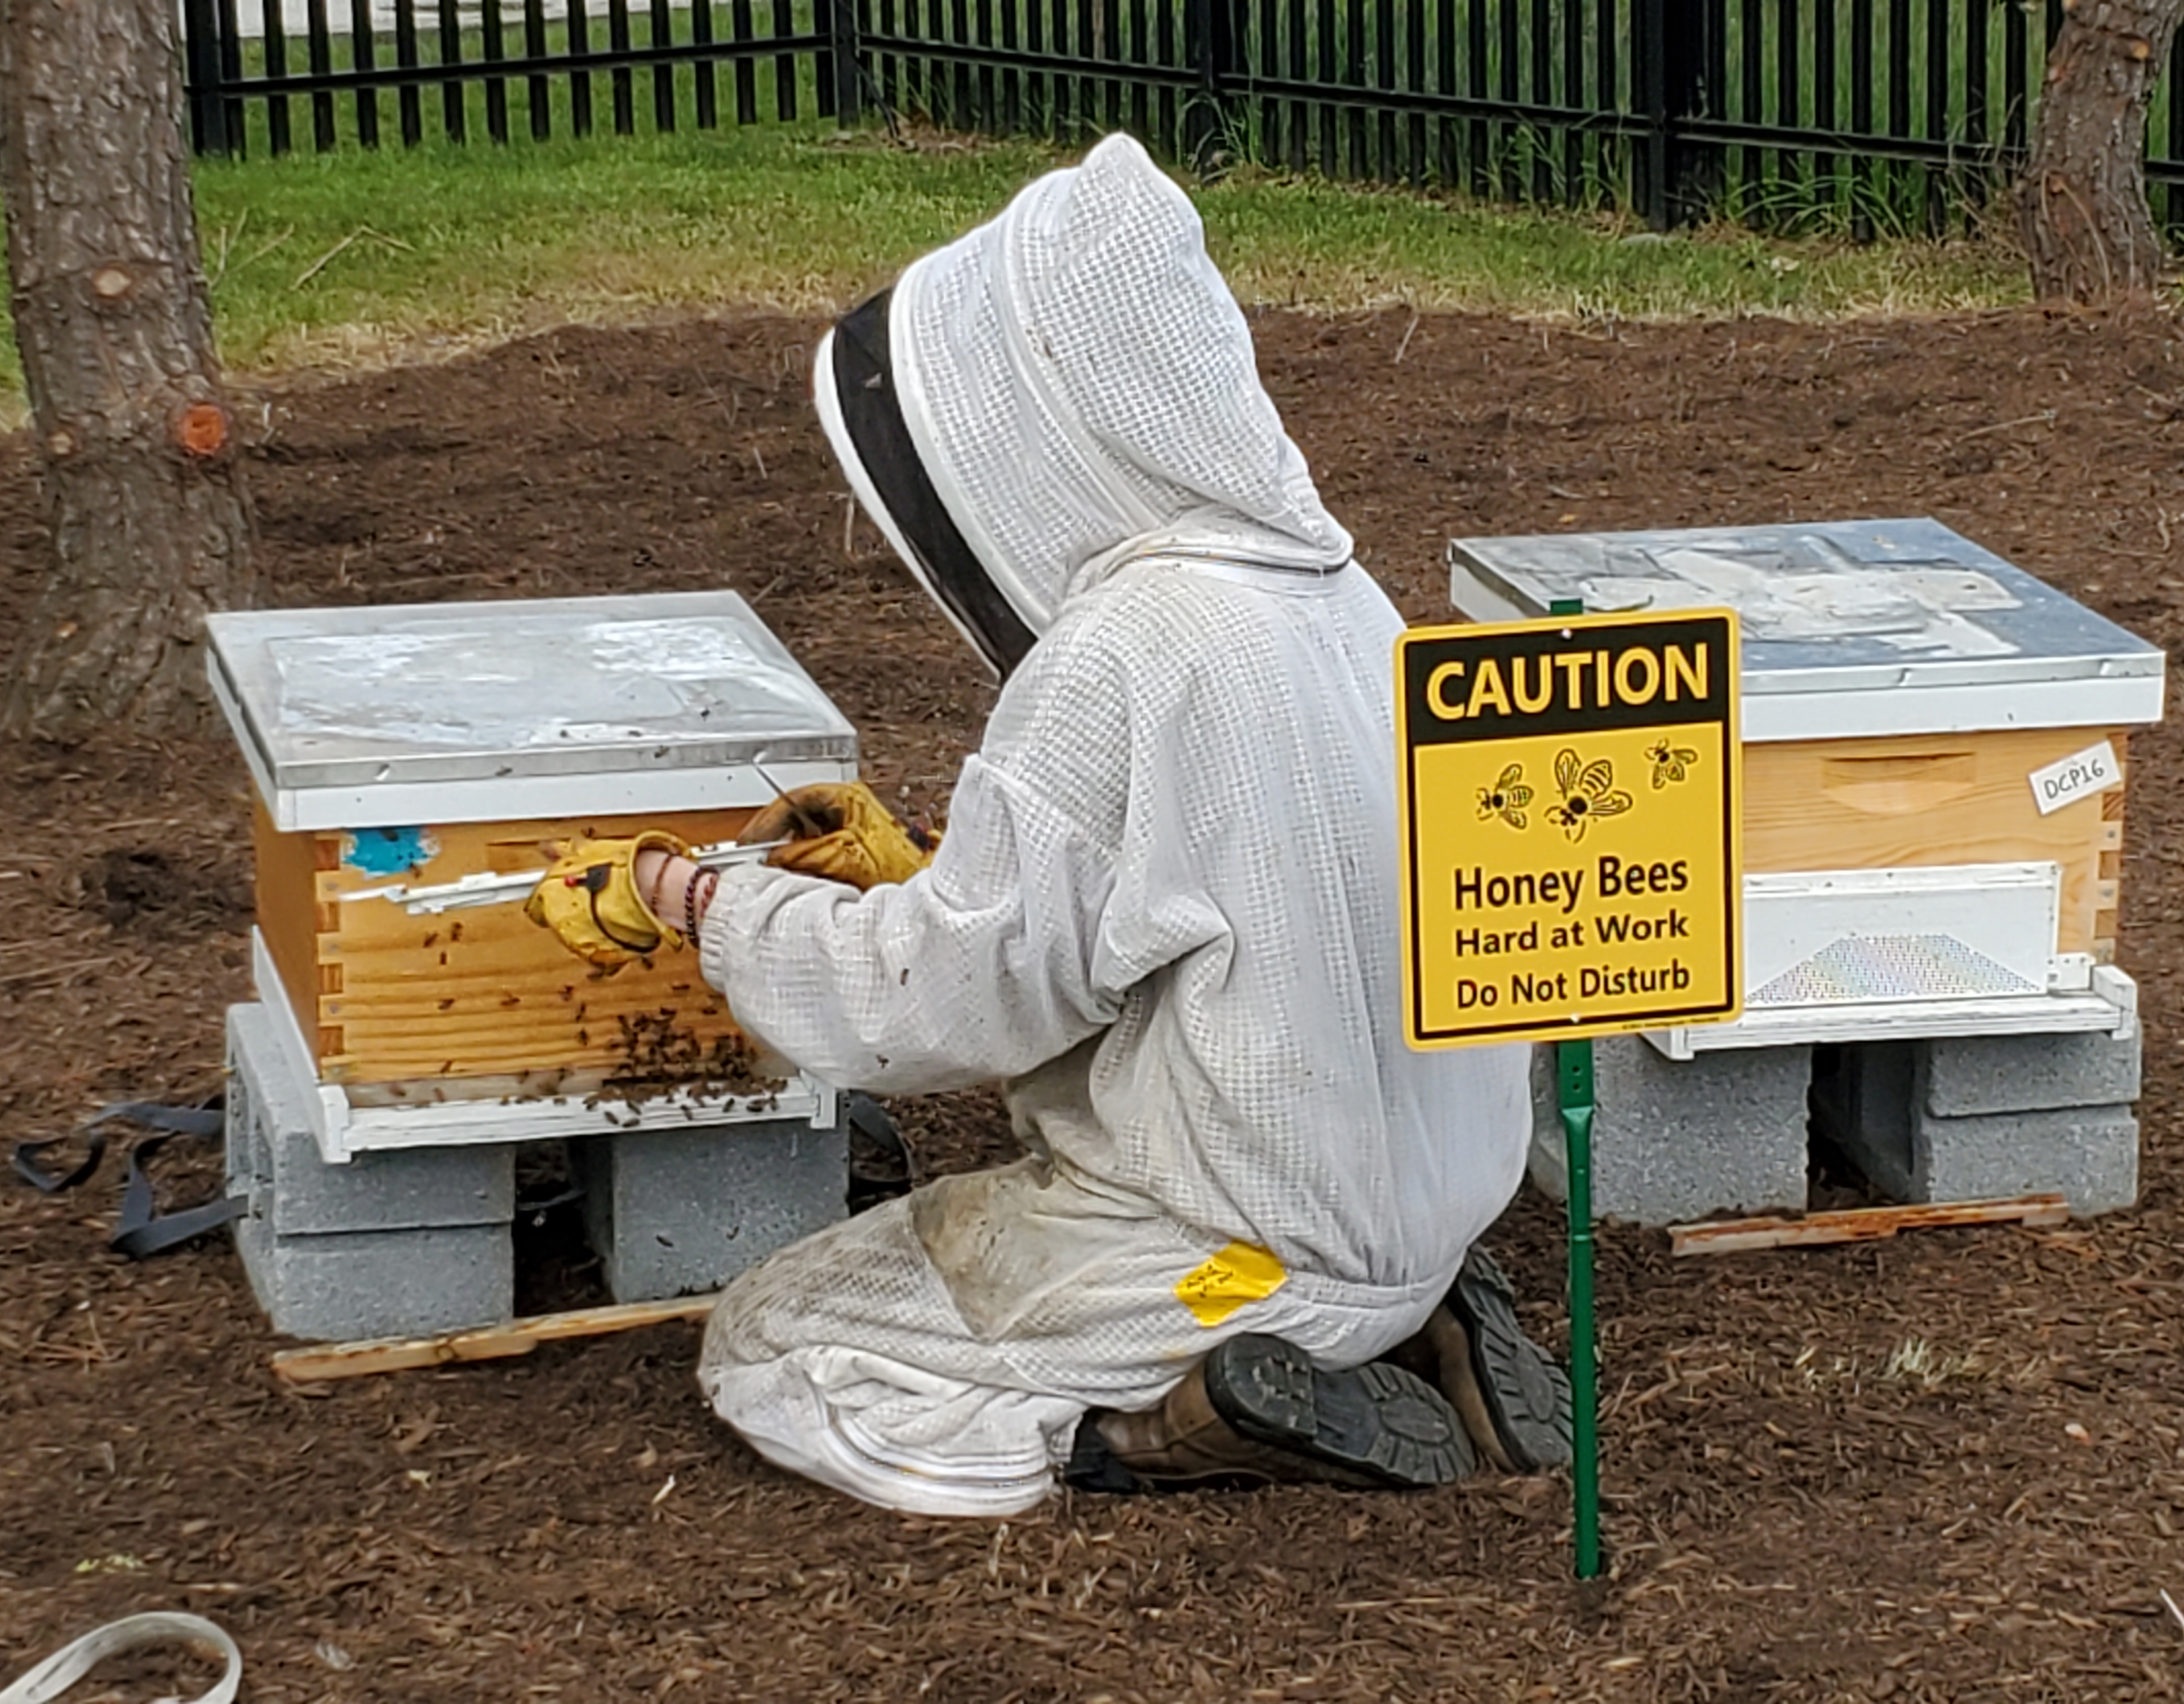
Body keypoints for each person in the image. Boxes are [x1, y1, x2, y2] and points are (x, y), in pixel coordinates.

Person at [525, 133, 1570, 1517]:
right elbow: (1174, 908)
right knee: (1295, 1236)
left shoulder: (1129, 649)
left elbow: (941, 1008)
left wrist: (699, 902)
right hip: (1431, 1211)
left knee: (781, 1341)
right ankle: (1415, 1316)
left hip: (1229, 1259)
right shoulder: (1346, 599)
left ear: (1031, 430)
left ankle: (1165, 1422)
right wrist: (917, 875)